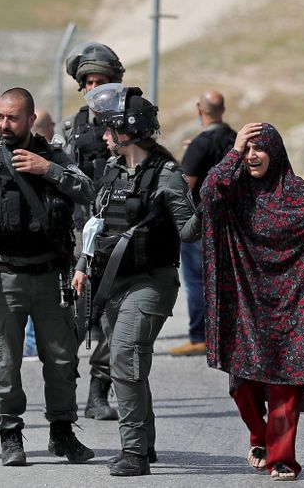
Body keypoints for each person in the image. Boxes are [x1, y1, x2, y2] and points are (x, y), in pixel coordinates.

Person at [0, 87, 95, 467]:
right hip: (3, 278)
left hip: (51, 277)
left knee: (63, 360)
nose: (3, 124)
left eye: (11, 118)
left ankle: (62, 433)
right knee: (4, 362)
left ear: (30, 120)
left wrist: (46, 169)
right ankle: (10, 435)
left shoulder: (53, 157)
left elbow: (88, 191)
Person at [201, 122, 304, 480]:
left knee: (286, 379)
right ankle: (260, 434)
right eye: (246, 150)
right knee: (243, 383)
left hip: (293, 299)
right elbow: (207, 193)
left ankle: (282, 457)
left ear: (276, 152)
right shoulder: (232, 191)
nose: (252, 157)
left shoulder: (295, 192)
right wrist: (232, 151)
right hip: (243, 299)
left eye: (259, 148)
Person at [72, 84, 200, 476]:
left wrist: (212, 200)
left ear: (128, 130)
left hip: (152, 282)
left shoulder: (166, 176)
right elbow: (95, 226)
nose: (104, 136)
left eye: (109, 129)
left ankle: (134, 453)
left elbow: (190, 231)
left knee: (125, 358)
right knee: (132, 363)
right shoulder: (111, 172)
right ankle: (146, 441)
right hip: (112, 283)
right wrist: (81, 265)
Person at [62, 41, 126, 421]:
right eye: (88, 83)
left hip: (119, 235)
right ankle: (63, 390)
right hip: (79, 234)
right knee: (72, 317)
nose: (94, 89)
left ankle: (98, 392)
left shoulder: (131, 122)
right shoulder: (74, 127)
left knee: (113, 321)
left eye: (101, 81)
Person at [169, 90, 236, 357]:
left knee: (197, 281)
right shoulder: (234, 139)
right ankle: (227, 335)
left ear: (200, 109)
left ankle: (200, 337)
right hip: (230, 222)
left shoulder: (201, 143)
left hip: (202, 223)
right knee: (223, 280)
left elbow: (187, 186)